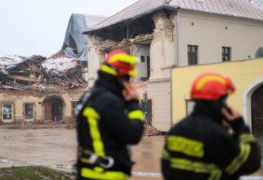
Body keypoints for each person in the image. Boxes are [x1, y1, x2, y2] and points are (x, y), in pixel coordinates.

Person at [161, 73, 261, 180]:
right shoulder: (217, 135)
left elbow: (166, 168)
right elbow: (252, 163)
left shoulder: (175, 130)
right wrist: (240, 127)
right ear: (219, 102)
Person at [75, 50, 145, 180]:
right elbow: (133, 135)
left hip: (86, 171)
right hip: (106, 174)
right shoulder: (108, 101)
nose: (128, 82)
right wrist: (133, 104)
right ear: (120, 77)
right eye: (127, 77)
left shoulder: (88, 96)